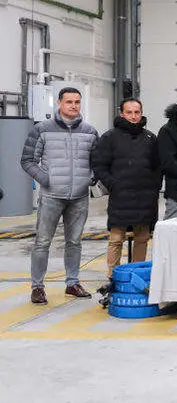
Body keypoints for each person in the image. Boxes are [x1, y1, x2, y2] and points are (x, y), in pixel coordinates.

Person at [20, 87, 100, 304]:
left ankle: (72, 283)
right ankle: (37, 287)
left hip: (80, 197)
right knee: (42, 242)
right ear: (59, 103)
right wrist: (45, 179)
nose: (73, 106)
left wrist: (91, 180)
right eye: (69, 102)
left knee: (74, 242)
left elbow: (97, 163)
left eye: (77, 102)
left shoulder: (90, 132)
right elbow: (27, 160)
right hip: (51, 196)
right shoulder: (42, 129)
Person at [91, 98, 161, 280]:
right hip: (120, 197)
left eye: (137, 112)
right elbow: (99, 165)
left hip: (144, 198)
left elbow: (157, 167)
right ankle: (113, 278)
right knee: (115, 239)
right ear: (122, 113)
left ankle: (136, 276)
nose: (133, 116)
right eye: (129, 112)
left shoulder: (150, 138)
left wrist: (153, 187)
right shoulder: (109, 137)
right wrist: (113, 185)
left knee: (142, 239)